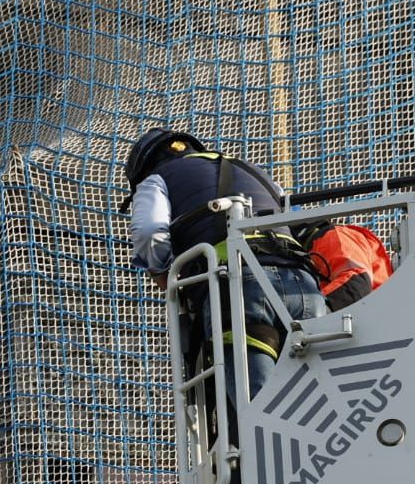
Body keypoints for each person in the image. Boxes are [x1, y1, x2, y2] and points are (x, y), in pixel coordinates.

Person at [122, 128, 326, 417]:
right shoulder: (257, 172)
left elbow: (149, 232)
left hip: (240, 289)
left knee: (262, 418)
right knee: (317, 411)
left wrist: (162, 272)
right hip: (303, 283)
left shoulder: (156, 180)